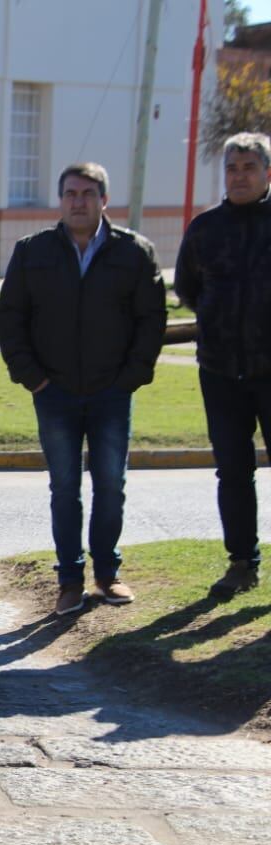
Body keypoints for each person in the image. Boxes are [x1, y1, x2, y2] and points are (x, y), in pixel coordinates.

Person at [0, 162, 166, 616]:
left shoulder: (134, 252)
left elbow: (152, 320)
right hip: (54, 392)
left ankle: (107, 574)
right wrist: (32, 376)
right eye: (70, 193)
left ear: (104, 200)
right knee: (64, 487)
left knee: (111, 485)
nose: (78, 201)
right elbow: (10, 317)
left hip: (112, 392)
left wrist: (132, 376)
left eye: (88, 194)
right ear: (60, 200)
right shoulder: (33, 252)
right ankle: (69, 580)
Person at [175, 132, 271, 601]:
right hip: (219, 370)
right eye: (232, 168)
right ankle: (242, 563)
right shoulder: (205, 228)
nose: (239, 176)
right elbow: (189, 289)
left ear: (267, 173)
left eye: (249, 167)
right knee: (232, 471)